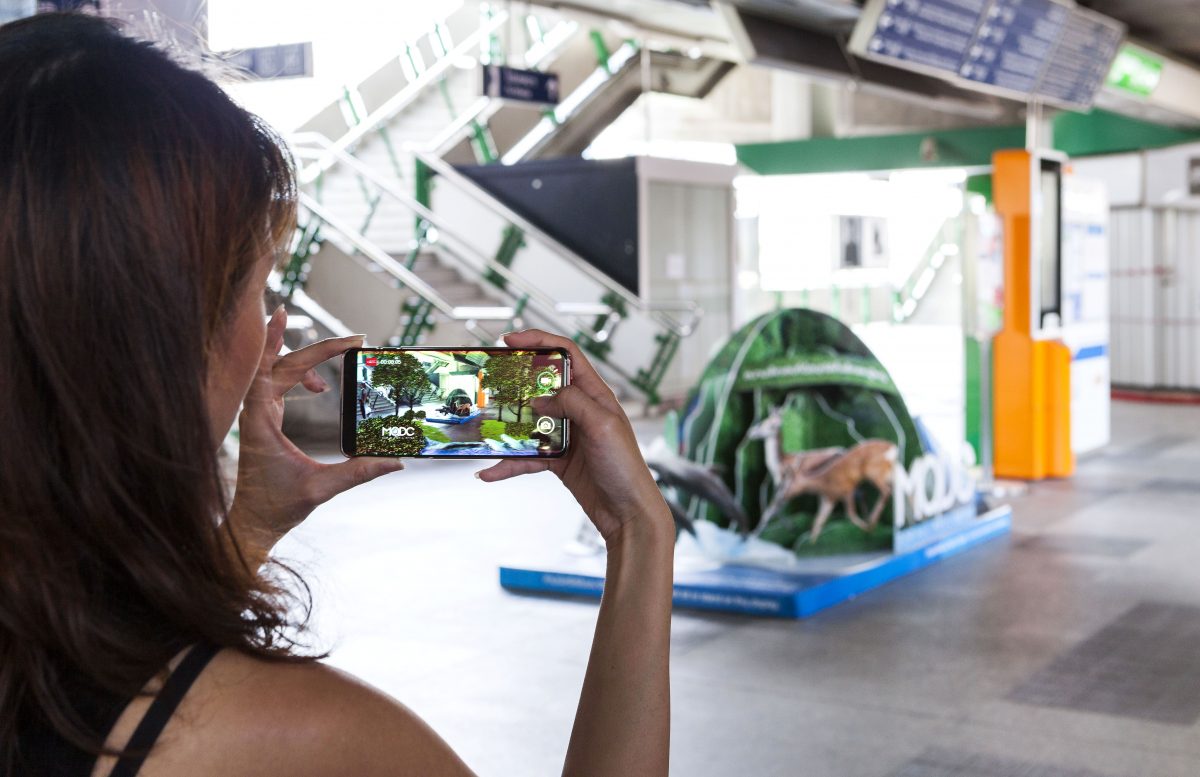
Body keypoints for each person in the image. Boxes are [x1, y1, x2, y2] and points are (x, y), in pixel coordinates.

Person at [0, 13, 674, 777]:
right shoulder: (306, 740)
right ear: (178, 337)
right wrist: (640, 533)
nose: (269, 328)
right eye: (260, 288)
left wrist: (248, 530)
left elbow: (104, 652)